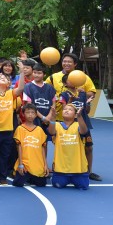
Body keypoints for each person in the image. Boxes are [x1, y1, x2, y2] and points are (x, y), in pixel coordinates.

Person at [46, 52, 100, 181]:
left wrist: (83, 95)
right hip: (61, 119)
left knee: (88, 146)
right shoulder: (53, 77)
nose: (67, 63)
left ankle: (87, 171)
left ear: (75, 64)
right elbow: (46, 90)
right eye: (64, 61)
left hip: (81, 120)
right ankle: (60, 169)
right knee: (63, 146)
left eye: (70, 61)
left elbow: (92, 93)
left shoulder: (82, 77)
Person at [59, 73, 98, 181]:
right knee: (73, 148)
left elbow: (87, 111)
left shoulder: (83, 93)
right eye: (70, 80)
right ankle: (71, 171)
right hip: (71, 125)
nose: (73, 81)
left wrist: (88, 103)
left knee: (89, 148)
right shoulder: (64, 95)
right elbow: (65, 110)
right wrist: (70, 101)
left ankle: (88, 172)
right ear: (65, 83)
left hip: (84, 123)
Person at [48, 104, 90, 189]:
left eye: (70, 109)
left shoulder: (78, 125)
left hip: (78, 169)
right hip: (61, 169)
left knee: (83, 187)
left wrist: (79, 116)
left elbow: (84, 131)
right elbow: (51, 132)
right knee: (57, 185)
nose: (67, 110)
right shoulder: (56, 125)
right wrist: (52, 117)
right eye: (65, 109)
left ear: (75, 115)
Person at [12, 104, 49, 187]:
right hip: (25, 164)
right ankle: (26, 175)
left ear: (36, 115)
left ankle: (31, 177)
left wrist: (45, 165)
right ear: (23, 114)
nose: (30, 114)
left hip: (37, 163)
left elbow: (43, 148)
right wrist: (21, 164)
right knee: (18, 183)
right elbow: (19, 147)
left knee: (42, 184)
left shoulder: (39, 130)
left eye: (32, 113)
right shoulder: (20, 129)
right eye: (28, 112)